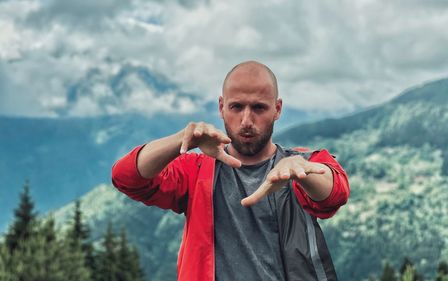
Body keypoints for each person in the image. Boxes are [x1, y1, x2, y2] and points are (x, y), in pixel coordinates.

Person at [111, 61, 350, 281]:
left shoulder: (304, 164)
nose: (246, 120)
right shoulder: (196, 172)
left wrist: (303, 172)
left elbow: (335, 193)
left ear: (277, 109)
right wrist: (182, 140)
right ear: (221, 107)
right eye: (236, 107)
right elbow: (126, 178)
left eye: (259, 107)